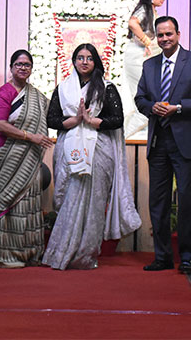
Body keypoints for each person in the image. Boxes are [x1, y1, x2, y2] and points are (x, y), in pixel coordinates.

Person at [43, 44, 140, 270]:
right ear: (74, 61)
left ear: (95, 61)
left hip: (99, 150)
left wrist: (91, 121)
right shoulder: (63, 88)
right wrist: (74, 121)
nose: (84, 62)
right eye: (80, 58)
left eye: (89, 58)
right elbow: (52, 119)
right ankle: (61, 252)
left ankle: (85, 255)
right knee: (67, 199)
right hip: (69, 148)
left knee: (94, 203)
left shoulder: (106, 88)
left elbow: (117, 119)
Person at [135, 15, 191, 274]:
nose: (164, 39)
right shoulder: (149, 65)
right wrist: (152, 107)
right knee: (157, 202)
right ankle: (162, 257)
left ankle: (188, 257)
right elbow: (140, 99)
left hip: (185, 141)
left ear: (178, 34)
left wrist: (178, 107)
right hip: (158, 142)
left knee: (186, 201)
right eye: (160, 35)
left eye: (168, 34)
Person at [0, 49, 52, 268]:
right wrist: (30, 136)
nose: (23, 68)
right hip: (8, 154)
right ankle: (5, 255)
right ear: (11, 67)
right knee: (8, 203)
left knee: (29, 202)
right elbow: (1, 124)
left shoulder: (36, 96)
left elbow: (52, 116)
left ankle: (29, 253)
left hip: (30, 157)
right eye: (19, 64)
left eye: (27, 65)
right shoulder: (4, 93)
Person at [124, 0, 166, 137]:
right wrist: (146, 41)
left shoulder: (151, 10)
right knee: (143, 95)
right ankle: (126, 134)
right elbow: (132, 23)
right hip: (138, 57)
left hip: (145, 56)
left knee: (149, 94)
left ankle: (141, 130)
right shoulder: (144, 8)